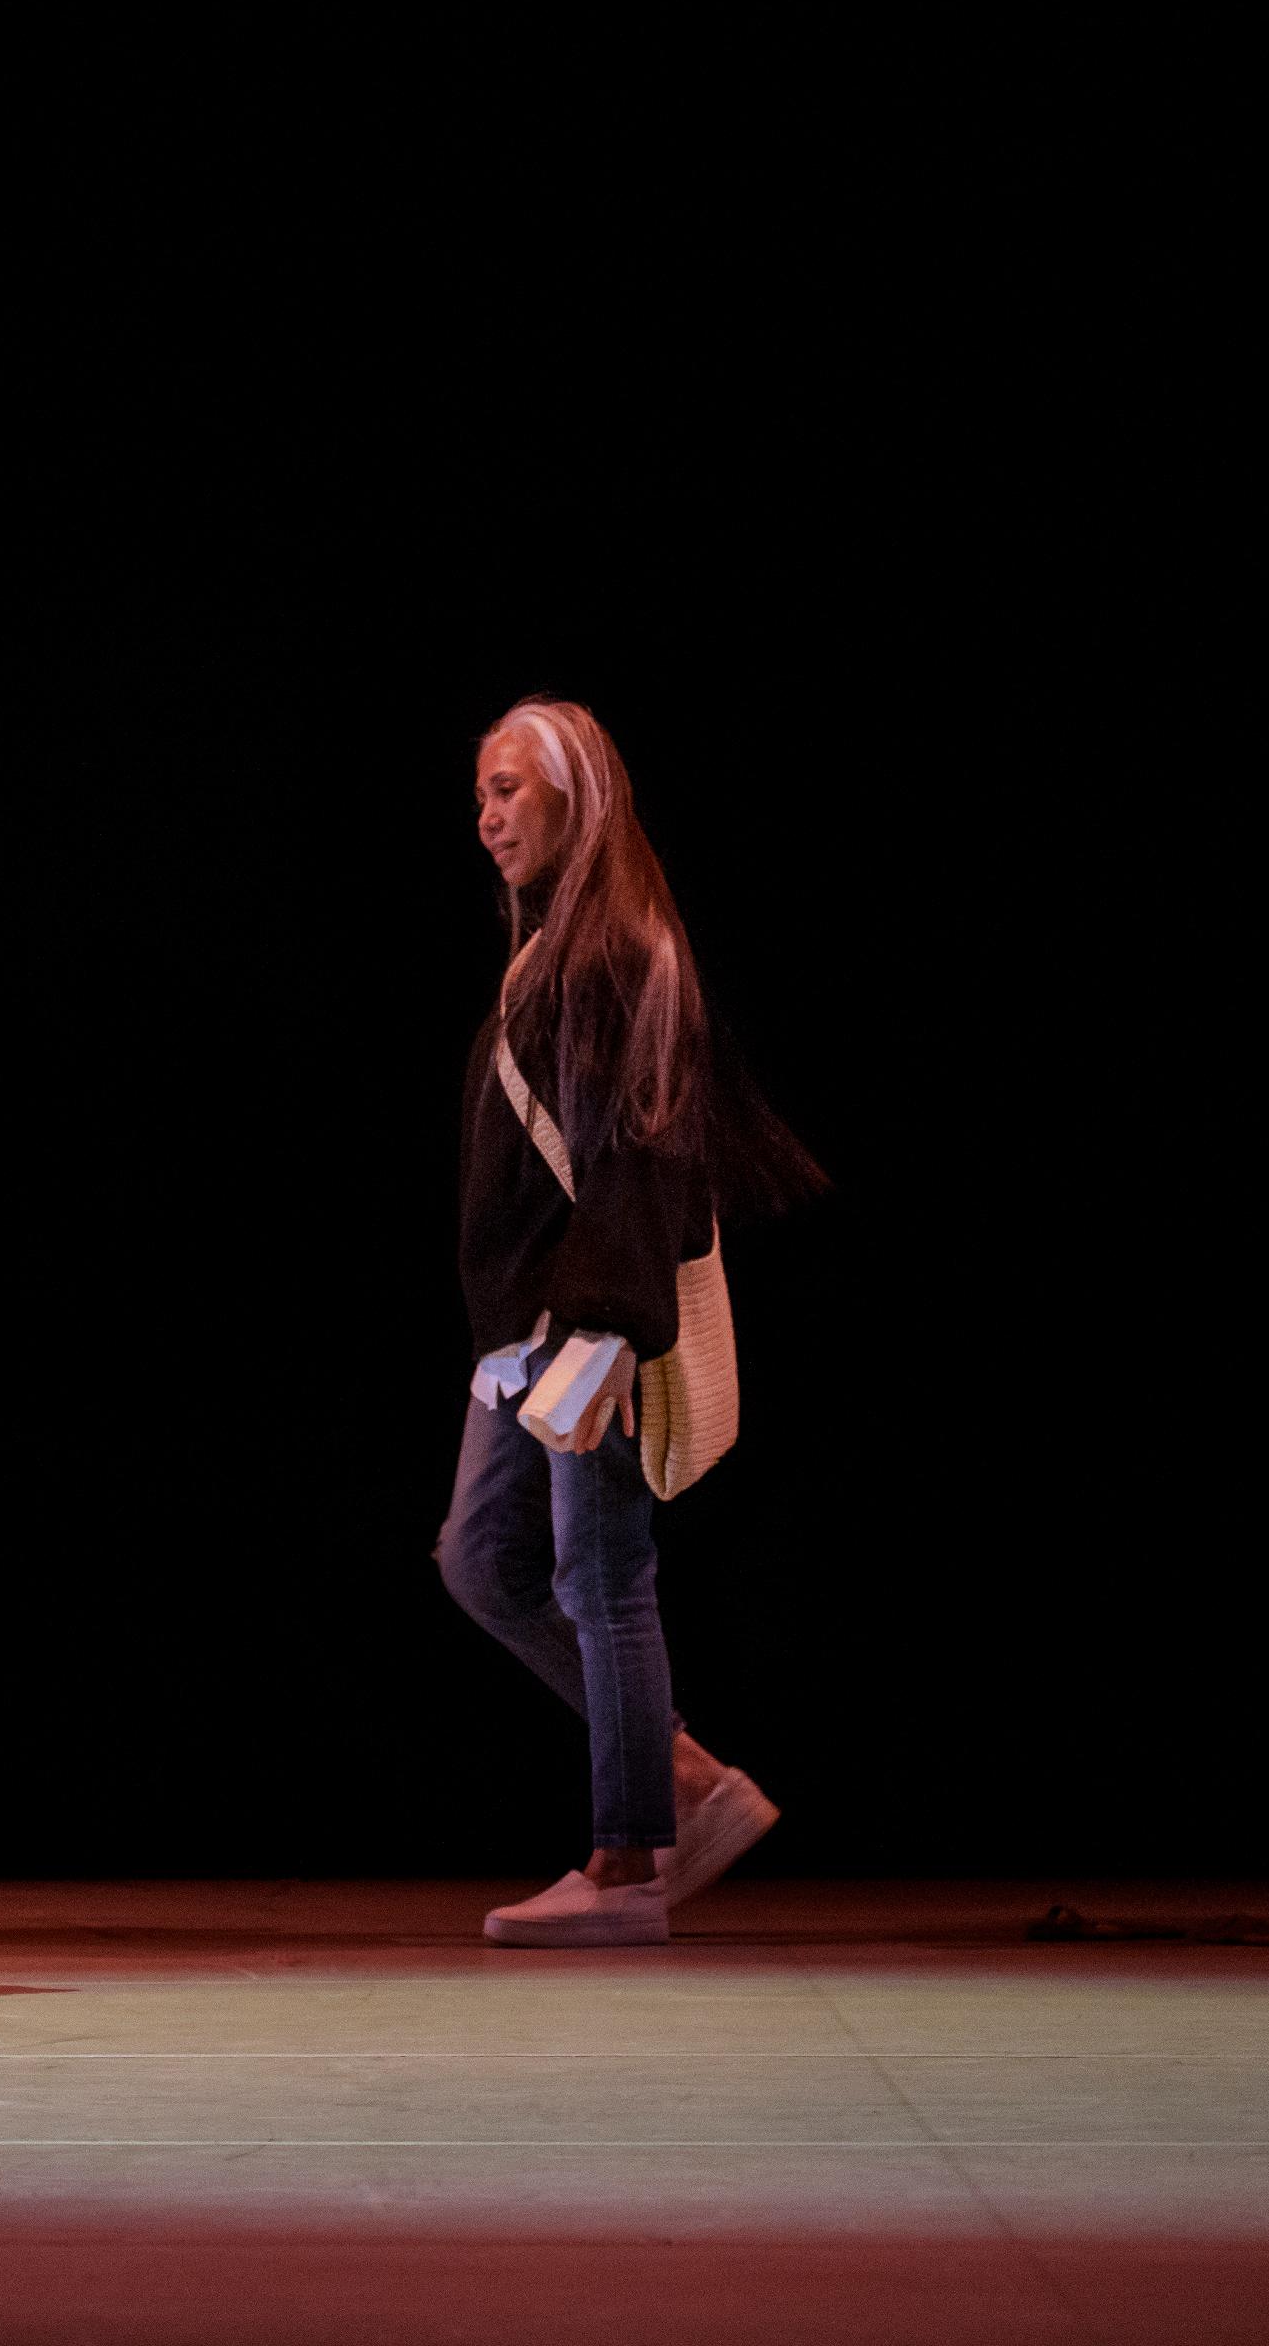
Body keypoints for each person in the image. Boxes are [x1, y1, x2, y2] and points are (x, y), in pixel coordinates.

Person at [437, 697, 821, 1947]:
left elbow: (636, 1157)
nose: (487, 815)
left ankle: (625, 1863)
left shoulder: (613, 953)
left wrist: (597, 1327)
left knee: (601, 1575)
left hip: (583, 1316)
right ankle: (689, 1785)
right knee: (482, 1562)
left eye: (509, 790)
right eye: (483, 794)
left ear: (576, 798)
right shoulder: (554, 949)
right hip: (530, 1327)